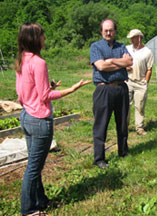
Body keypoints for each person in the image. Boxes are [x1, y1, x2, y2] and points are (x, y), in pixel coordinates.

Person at [15, 22, 91, 216]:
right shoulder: (39, 62)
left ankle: (40, 200)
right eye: (42, 35)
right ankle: (29, 210)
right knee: (34, 168)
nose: (44, 38)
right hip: (40, 121)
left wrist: (49, 85)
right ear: (34, 39)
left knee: (34, 164)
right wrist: (72, 89)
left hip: (26, 117)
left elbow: (23, 93)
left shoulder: (22, 59)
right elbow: (45, 96)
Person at [90, 19, 133, 169]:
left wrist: (112, 61)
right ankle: (99, 159)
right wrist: (120, 62)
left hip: (121, 88)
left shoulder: (121, 46)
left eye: (111, 30)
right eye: (105, 30)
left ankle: (123, 151)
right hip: (104, 89)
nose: (108, 33)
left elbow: (129, 62)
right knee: (101, 126)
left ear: (115, 31)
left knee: (122, 123)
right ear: (101, 31)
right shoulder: (95, 47)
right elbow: (101, 66)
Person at [126, 29, 154, 136]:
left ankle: (139, 127)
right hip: (127, 81)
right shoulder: (127, 49)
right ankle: (124, 126)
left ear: (139, 38)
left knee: (140, 106)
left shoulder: (147, 52)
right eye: (131, 38)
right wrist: (125, 67)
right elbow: (121, 61)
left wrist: (145, 82)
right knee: (125, 106)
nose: (132, 40)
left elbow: (149, 69)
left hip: (140, 83)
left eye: (134, 37)